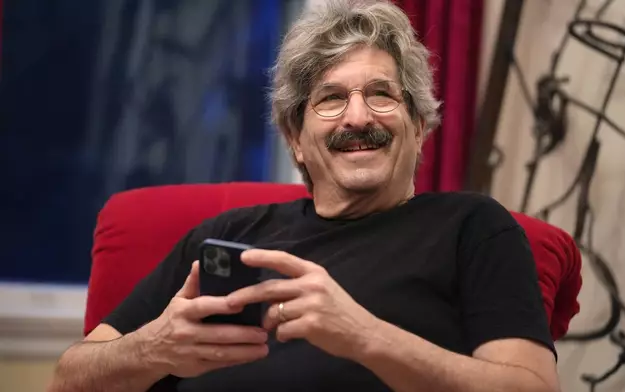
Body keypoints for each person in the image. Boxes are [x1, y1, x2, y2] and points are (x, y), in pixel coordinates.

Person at [49, 0, 561, 391]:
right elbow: (67, 379)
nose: (358, 118)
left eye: (381, 94)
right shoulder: (227, 237)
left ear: (419, 126)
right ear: (295, 138)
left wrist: (364, 337)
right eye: (332, 100)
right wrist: (153, 348)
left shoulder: (471, 228)